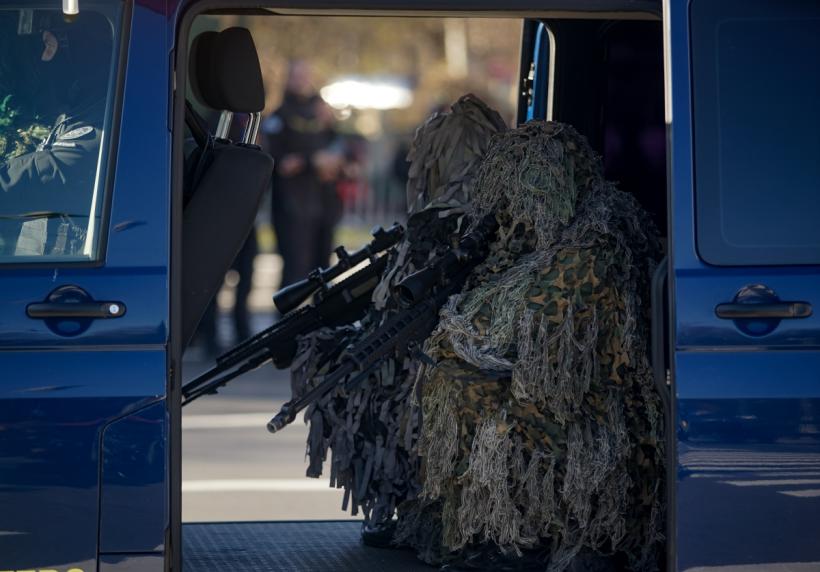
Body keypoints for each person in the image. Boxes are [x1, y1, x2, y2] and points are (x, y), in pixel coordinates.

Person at [0, 14, 112, 257]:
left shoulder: (107, 124)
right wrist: (51, 63)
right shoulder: (89, 104)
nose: (51, 44)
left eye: (63, 38)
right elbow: (54, 106)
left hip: (72, 280)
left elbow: (38, 173)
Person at [263, 60, 344, 288]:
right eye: (297, 75)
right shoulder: (279, 116)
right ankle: (286, 322)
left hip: (324, 204)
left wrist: (337, 162)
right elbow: (280, 163)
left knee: (324, 272)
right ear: (288, 79)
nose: (303, 80)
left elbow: (339, 151)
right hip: (292, 207)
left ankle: (324, 323)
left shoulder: (322, 114)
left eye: (306, 75)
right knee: (294, 271)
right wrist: (311, 162)